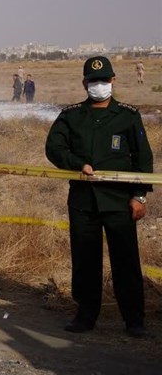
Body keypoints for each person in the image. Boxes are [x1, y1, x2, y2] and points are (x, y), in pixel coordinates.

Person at [45, 56, 153, 338]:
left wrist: (139, 197)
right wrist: (75, 162)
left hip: (119, 201)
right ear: (84, 83)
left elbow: (143, 159)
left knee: (126, 261)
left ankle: (134, 319)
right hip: (84, 202)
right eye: (93, 81)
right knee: (85, 259)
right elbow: (53, 148)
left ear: (114, 81)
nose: (99, 85)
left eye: (104, 80)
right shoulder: (71, 116)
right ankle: (85, 314)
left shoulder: (128, 116)